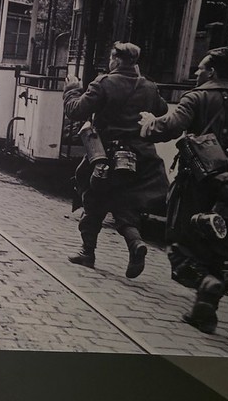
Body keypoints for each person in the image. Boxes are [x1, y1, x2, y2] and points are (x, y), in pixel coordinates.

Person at [139, 47, 228, 334]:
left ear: (212, 71)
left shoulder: (197, 96)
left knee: (179, 245)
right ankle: (205, 312)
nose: (196, 73)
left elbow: (171, 127)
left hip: (197, 187)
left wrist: (149, 125)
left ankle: (205, 284)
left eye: (201, 68)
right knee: (216, 248)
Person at [63, 42, 169, 279]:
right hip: (139, 157)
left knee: (93, 198)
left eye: (111, 58)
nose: (109, 63)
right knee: (124, 202)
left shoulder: (103, 83)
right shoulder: (149, 87)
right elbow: (161, 110)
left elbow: (76, 111)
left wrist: (72, 89)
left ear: (117, 60)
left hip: (106, 155)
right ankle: (135, 243)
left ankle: (87, 252)